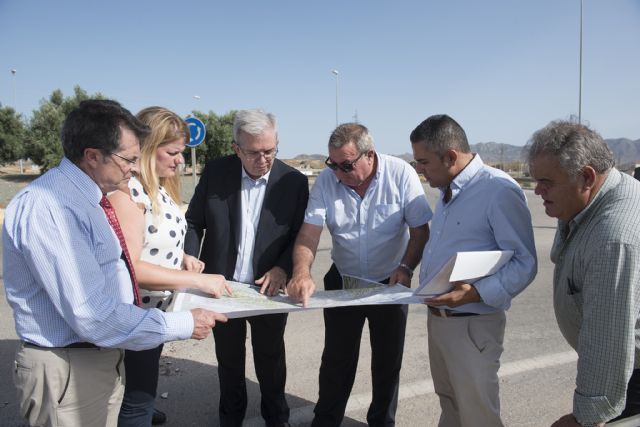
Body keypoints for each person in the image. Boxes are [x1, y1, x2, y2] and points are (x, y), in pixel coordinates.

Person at [2, 99, 226, 427]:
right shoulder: (51, 207)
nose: (134, 169)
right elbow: (92, 315)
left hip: (99, 358)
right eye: (128, 159)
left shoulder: (90, 200)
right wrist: (184, 324)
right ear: (92, 156)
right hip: (69, 366)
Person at [287, 123, 431, 427]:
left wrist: (406, 268)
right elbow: (309, 234)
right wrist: (301, 272)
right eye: (332, 164)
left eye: (346, 165)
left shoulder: (400, 174)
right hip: (344, 280)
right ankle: (326, 421)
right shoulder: (327, 181)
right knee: (337, 360)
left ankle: (382, 421)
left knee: (387, 363)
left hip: (390, 283)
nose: (338, 173)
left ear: (369, 155)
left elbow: (420, 231)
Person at [409, 114, 537, 427]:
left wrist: (476, 293)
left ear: (450, 156)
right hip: (440, 321)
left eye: (423, 162)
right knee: (451, 405)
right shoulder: (449, 190)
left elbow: (525, 261)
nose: (419, 170)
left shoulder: (497, 190)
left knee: (478, 414)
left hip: (472, 324)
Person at [184, 109, 309, 427]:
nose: (263, 159)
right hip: (222, 288)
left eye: (270, 150)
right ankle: (231, 419)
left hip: (267, 291)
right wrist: (189, 259)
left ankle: (276, 418)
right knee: (229, 363)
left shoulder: (292, 182)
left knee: (270, 360)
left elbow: (300, 234)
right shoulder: (216, 173)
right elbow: (194, 223)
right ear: (237, 148)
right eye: (254, 152)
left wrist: (283, 268)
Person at [108, 106, 231, 426]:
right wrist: (195, 280)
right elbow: (132, 268)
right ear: (147, 150)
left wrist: (182, 257)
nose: (180, 160)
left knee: (140, 389)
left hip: (156, 314)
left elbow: (156, 244)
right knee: (135, 401)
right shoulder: (128, 193)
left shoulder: (160, 189)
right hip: (136, 317)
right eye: (173, 152)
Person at [526, 120, 640, 427]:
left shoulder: (612, 239)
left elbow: (609, 341)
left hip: (631, 380)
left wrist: (586, 417)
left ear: (587, 176)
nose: (537, 190)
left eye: (547, 182)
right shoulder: (586, 201)